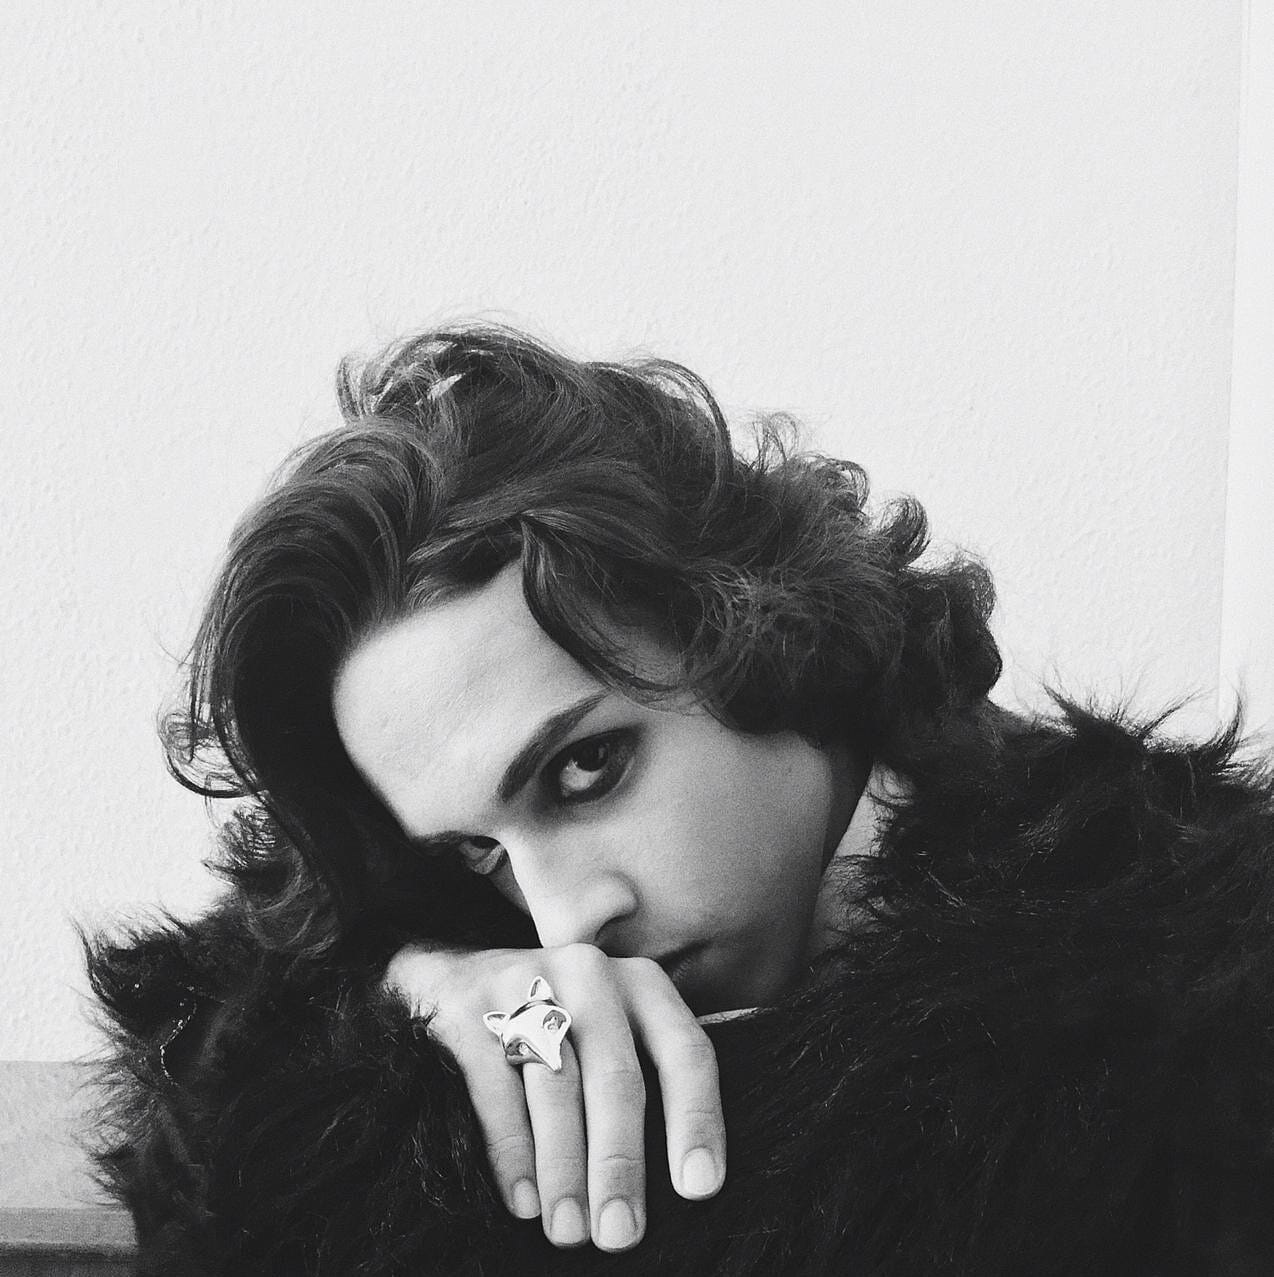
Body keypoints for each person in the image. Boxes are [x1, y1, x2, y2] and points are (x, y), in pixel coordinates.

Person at [87, 325, 1274, 1275]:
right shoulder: (453, 1010)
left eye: (585, 768)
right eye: (477, 852)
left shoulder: (1187, 1000)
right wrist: (415, 990)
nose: (565, 918)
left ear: (757, 625)